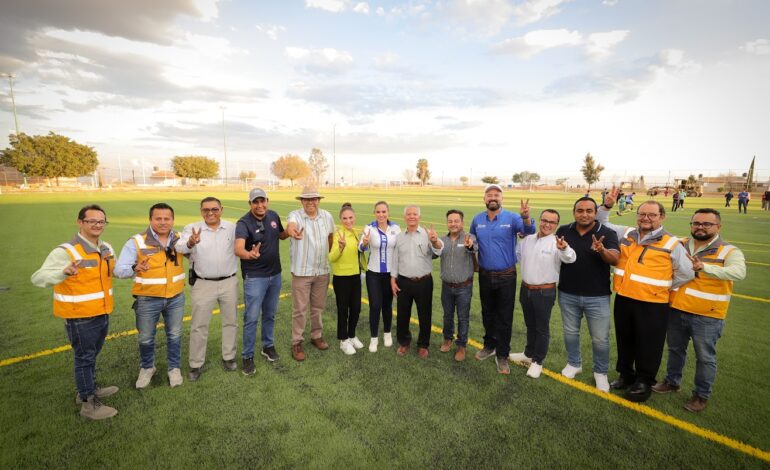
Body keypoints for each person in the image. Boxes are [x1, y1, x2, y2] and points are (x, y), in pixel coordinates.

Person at [598, 189, 694, 402]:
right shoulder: (627, 233)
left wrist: (661, 287)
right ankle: (626, 374)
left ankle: (644, 380)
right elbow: (599, 221)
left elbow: (687, 272)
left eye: (652, 215)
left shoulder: (671, 243)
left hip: (653, 303)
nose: (646, 218)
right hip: (624, 298)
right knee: (625, 339)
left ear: (662, 217)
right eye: (642, 214)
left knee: (649, 343)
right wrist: (607, 205)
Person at [652, 209, 746, 412]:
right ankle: (672, 381)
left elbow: (739, 272)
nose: (700, 227)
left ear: (718, 227)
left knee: (705, 357)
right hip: (676, 309)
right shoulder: (681, 243)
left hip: (708, 315)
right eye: (696, 223)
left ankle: (701, 395)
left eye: (706, 224)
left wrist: (704, 267)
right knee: (675, 349)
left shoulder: (729, 251)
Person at [31, 205, 118, 420]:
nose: (97, 225)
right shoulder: (65, 251)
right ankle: (89, 405)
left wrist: (135, 269)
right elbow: (38, 277)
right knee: (84, 358)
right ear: (80, 223)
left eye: (101, 222)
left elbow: (111, 273)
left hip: (102, 312)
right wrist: (63, 272)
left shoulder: (106, 247)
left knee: (90, 356)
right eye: (92, 221)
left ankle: (87, 390)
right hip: (80, 316)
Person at [547, 197, 619, 392]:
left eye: (589, 210)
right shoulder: (564, 230)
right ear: (574, 212)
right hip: (567, 293)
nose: (584, 214)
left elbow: (615, 259)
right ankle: (574, 363)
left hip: (597, 296)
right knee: (570, 332)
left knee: (600, 338)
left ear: (595, 213)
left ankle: (600, 372)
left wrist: (602, 250)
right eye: (580, 210)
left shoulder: (607, 233)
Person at [115, 203, 186, 389]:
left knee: (175, 334)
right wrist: (134, 268)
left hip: (176, 297)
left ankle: (174, 368)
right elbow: (119, 269)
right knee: (146, 337)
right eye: (158, 218)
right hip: (147, 299)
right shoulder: (136, 241)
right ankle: (147, 367)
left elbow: (194, 254)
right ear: (150, 220)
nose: (163, 222)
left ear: (172, 220)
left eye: (167, 218)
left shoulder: (179, 239)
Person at [470, 184, 535, 374]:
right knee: (487, 313)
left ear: (502, 199)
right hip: (485, 275)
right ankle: (489, 346)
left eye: (496, 195)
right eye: (489, 195)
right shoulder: (477, 219)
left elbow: (529, 233)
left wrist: (525, 217)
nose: (493, 197)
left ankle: (502, 355)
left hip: (506, 276)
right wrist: (469, 245)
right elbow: (472, 241)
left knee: (505, 317)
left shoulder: (513, 217)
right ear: (484, 199)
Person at [175, 197, 238, 381]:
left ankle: (229, 356)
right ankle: (195, 364)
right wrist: (191, 243)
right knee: (199, 325)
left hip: (229, 281)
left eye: (214, 209)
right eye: (206, 210)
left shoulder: (231, 227)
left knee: (231, 321)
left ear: (221, 209)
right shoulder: (191, 228)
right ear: (201, 211)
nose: (210, 213)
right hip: (203, 283)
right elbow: (179, 247)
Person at [509, 209, 576, 379]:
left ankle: (537, 361)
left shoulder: (557, 243)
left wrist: (565, 248)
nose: (547, 224)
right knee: (530, 325)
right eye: (544, 220)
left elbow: (570, 258)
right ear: (539, 220)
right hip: (526, 290)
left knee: (541, 328)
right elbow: (516, 256)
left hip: (544, 292)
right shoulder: (527, 240)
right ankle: (528, 353)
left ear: (556, 225)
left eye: (552, 222)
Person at [234, 188, 288, 375]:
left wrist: (290, 231)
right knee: (251, 318)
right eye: (255, 202)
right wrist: (248, 254)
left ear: (267, 201)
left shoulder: (273, 215)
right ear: (250, 204)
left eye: (262, 201)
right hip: (255, 277)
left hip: (275, 275)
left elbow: (281, 235)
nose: (260, 205)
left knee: (270, 314)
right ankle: (247, 356)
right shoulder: (243, 223)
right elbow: (238, 248)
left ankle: (268, 346)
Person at [285, 187, 335, 361]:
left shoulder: (327, 216)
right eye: (307, 199)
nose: (311, 202)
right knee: (300, 309)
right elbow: (290, 226)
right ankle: (297, 342)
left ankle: (316, 336)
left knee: (318, 307)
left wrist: (328, 256)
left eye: (314, 199)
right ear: (301, 201)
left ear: (318, 200)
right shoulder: (295, 215)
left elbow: (330, 237)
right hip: (302, 271)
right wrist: (292, 231)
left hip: (322, 270)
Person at [390, 205, 444, 358]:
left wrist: (434, 241)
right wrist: (393, 279)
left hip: (424, 282)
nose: (411, 216)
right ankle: (404, 342)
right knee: (403, 314)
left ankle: (423, 344)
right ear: (404, 217)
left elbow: (439, 249)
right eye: (408, 214)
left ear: (419, 217)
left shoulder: (428, 234)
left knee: (424, 314)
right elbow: (395, 260)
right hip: (404, 282)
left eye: (414, 214)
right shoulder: (399, 237)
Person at [358, 201, 401, 353]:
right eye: (378, 212)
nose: (381, 214)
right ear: (374, 213)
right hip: (373, 273)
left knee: (387, 305)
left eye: (384, 212)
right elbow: (360, 248)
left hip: (390, 275)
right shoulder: (369, 228)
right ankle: (374, 338)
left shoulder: (396, 228)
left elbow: (399, 249)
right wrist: (364, 243)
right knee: (375, 305)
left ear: (388, 213)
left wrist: (396, 275)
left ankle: (387, 333)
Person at [438, 209, 477, 362]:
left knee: (463, 317)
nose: (453, 224)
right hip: (446, 286)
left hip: (464, 287)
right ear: (447, 223)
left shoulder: (469, 237)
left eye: (456, 221)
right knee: (447, 315)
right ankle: (448, 339)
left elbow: (474, 247)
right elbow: (434, 253)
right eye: (450, 221)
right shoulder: (442, 240)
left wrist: (469, 246)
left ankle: (461, 345)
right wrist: (434, 241)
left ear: (462, 222)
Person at [329, 203, 366, 355]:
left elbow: (360, 253)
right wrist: (341, 247)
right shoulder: (338, 234)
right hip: (341, 278)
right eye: (345, 218)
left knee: (356, 309)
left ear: (354, 217)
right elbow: (331, 257)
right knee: (343, 310)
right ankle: (343, 340)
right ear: (340, 219)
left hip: (356, 276)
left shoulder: (356, 233)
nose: (348, 221)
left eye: (350, 217)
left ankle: (351, 335)